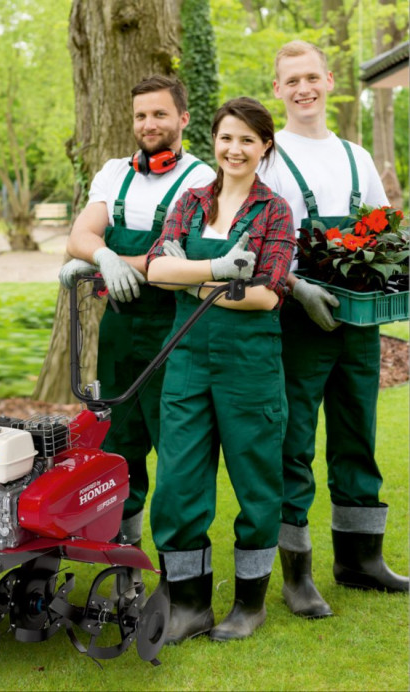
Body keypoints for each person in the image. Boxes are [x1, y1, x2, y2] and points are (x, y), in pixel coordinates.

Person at [258, 40, 408, 619]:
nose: (303, 89)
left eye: (312, 77)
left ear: (328, 80)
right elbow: (257, 235)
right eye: (291, 80)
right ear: (278, 89)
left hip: (359, 318)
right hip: (297, 316)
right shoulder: (268, 157)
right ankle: (298, 572)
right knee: (294, 441)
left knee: (356, 433)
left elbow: (380, 229)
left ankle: (361, 560)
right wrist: (296, 286)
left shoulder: (356, 155)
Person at [146, 97, 295, 644]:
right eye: (227, 137)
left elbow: (265, 295)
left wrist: (187, 278)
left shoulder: (275, 211)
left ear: (264, 148)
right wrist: (216, 274)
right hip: (185, 357)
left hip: (249, 364)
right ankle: (189, 606)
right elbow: (156, 269)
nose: (235, 149)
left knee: (257, 482)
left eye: (248, 141)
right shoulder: (189, 202)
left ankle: (249, 604)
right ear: (215, 140)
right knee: (179, 482)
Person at [59, 75, 215, 595]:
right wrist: (101, 255)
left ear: (183, 119)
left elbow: (185, 265)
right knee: (120, 448)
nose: (149, 125)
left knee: (178, 450)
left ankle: (180, 572)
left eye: (160, 115)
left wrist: (115, 258)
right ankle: (124, 563)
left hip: (178, 330)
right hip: (120, 334)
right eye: (141, 116)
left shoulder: (203, 179)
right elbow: (80, 235)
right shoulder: (112, 173)